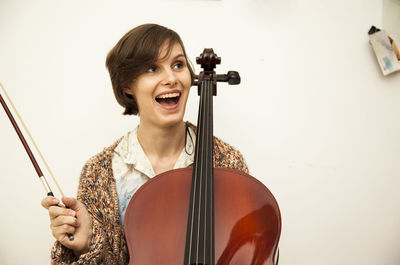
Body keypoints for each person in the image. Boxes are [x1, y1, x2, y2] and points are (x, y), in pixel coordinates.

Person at [41, 23, 249, 264]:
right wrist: (87, 243)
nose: (171, 78)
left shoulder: (227, 161)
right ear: (128, 86)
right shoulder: (98, 172)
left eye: (178, 65)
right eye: (152, 68)